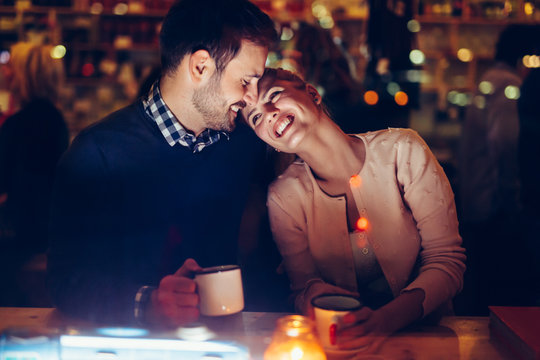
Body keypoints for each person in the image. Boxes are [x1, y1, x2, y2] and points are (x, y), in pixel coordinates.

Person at [47, 0, 277, 326]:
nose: (252, 96)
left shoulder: (245, 144)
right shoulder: (97, 153)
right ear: (200, 67)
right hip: (130, 346)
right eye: (245, 81)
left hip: (226, 342)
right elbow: (65, 281)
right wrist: (148, 301)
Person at [240, 68, 466, 353]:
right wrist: (310, 293)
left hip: (428, 343)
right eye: (256, 117)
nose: (269, 112)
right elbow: (302, 288)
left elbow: (448, 261)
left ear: (312, 94)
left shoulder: (403, 150)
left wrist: (383, 322)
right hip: (344, 348)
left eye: (273, 95)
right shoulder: (283, 197)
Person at [457, 24, 538, 314]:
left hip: (477, 198)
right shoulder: (508, 85)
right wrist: (512, 198)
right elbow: (505, 143)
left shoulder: (490, 79)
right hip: (494, 205)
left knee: (483, 286)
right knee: (500, 294)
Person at [0, 42, 69, 306]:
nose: (5, 72)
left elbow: (10, 183)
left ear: (24, 74)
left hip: (25, 232)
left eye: (11, 67)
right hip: (41, 227)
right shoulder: (52, 117)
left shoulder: (26, 122)